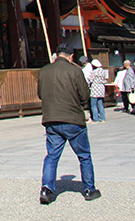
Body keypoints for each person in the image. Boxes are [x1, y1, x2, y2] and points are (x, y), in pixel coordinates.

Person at [37, 42, 100, 204]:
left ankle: (47, 188)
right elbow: (84, 95)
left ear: (56, 55)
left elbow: (40, 93)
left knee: (52, 156)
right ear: (71, 56)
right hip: (73, 119)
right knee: (84, 155)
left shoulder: (44, 71)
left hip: (51, 118)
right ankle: (89, 188)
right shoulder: (75, 71)